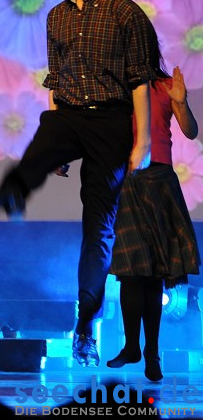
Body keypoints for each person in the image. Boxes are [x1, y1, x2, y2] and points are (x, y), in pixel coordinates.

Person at [0, 0, 156, 368]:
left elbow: (139, 82)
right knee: (46, 131)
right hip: (70, 116)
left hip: (112, 124)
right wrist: (58, 148)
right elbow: (57, 83)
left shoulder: (125, 13)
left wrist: (143, 140)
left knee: (97, 230)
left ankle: (85, 325)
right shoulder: (57, 15)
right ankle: (14, 190)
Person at [106, 32, 200, 382]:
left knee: (155, 272)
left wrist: (182, 101)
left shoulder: (164, 86)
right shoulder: (115, 89)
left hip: (160, 180)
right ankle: (133, 346)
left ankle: (151, 354)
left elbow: (190, 131)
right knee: (132, 270)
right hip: (128, 180)